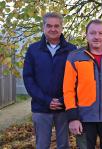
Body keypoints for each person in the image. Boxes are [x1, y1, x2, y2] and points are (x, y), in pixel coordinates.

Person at [63, 19, 102, 149]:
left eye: (100, 33)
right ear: (86, 35)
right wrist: (72, 118)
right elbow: (68, 89)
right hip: (83, 119)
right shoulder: (74, 57)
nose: (97, 37)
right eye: (92, 33)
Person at [23, 12, 77, 149]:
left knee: (64, 145)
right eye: (49, 25)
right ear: (43, 27)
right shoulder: (33, 49)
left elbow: (77, 80)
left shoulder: (72, 50)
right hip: (41, 107)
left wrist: (63, 100)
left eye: (56, 26)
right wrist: (46, 100)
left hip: (64, 107)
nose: (53, 29)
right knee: (42, 145)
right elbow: (28, 79)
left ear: (62, 28)